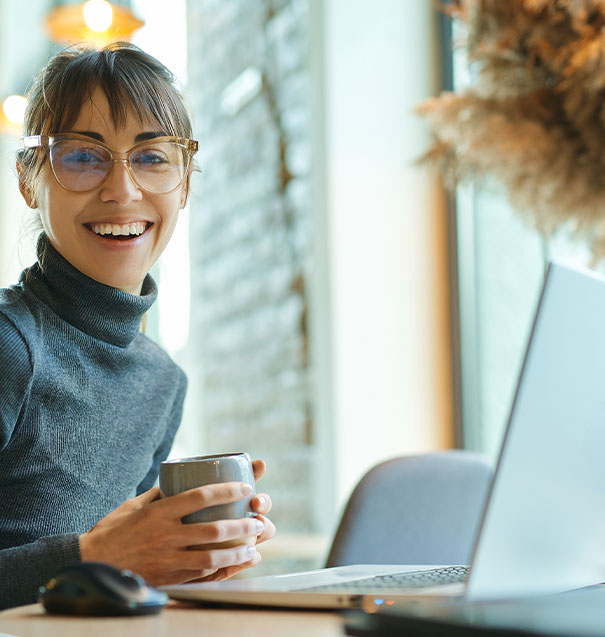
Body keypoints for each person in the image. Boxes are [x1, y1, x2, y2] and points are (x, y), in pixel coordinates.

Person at [0, 42, 275, 610]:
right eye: (81, 156)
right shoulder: (10, 346)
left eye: (152, 158)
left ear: (186, 184)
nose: (122, 190)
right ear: (28, 180)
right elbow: (93, 559)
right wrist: (96, 555)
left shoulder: (162, 380)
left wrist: (186, 561)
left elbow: (107, 581)